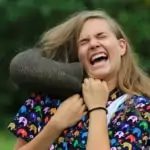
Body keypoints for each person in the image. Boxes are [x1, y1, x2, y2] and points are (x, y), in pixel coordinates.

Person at [7, 10, 150, 150]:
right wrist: (55, 125)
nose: (94, 44)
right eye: (84, 42)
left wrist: (97, 108)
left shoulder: (139, 109)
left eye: (101, 36)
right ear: (78, 55)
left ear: (121, 47)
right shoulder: (48, 98)